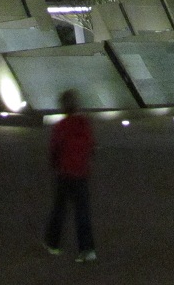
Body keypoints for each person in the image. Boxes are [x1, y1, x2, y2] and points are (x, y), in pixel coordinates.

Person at [43, 88, 96, 262]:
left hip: (65, 173)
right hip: (81, 173)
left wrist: (54, 165)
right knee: (82, 212)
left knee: (59, 209)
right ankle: (87, 249)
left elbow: (55, 149)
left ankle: (53, 243)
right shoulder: (84, 124)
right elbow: (91, 146)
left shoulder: (61, 126)